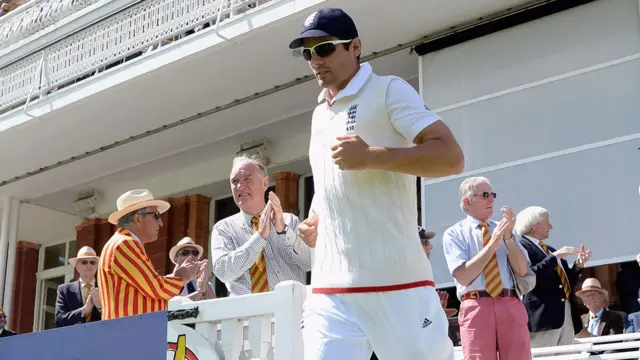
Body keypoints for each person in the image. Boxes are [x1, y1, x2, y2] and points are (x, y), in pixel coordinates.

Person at [289, 8, 464, 360]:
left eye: (323, 48)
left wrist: (372, 156)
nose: (314, 61)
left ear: (355, 47)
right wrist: (317, 220)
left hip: (398, 284)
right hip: (330, 289)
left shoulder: (388, 90)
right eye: (307, 53)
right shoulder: (319, 114)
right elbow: (330, 185)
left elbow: (451, 157)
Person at [443, 177, 531, 360]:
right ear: (467, 201)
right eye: (485, 195)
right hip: (476, 305)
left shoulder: (505, 229)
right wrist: (493, 243)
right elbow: (463, 276)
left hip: (509, 301)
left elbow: (522, 270)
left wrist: (508, 239)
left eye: (492, 195)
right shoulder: (454, 233)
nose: (491, 200)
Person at [211, 155, 312, 296]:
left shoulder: (289, 221)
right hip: (249, 315)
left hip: (292, 312)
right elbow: (223, 272)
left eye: (247, 179)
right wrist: (260, 237)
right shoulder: (223, 228)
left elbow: (309, 263)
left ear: (265, 183)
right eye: (235, 181)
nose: (240, 186)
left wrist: (283, 231)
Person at [98, 189, 200, 320]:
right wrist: (181, 277)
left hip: (132, 331)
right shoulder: (125, 244)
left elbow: (151, 289)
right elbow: (155, 288)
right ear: (138, 219)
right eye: (156, 215)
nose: (161, 222)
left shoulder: (122, 242)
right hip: (131, 333)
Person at [515, 206, 591, 347]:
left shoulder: (550, 250)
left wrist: (578, 265)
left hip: (565, 315)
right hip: (543, 318)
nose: (551, 226)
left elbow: (567, 282)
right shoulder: (520, 247)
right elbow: (529, 277)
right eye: (547, 221)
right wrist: (553, 258)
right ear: (534, 224)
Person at [55, 246, 103, 327]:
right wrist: (84, 310)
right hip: (74, 338)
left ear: (97, 266)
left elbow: (115, 319)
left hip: (100, 337)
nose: (89, 265)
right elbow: (59, 321)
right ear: (77, 267)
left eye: (92, 262)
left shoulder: (105, 289)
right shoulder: (64, 290)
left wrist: (100, 308)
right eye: (84, 262)